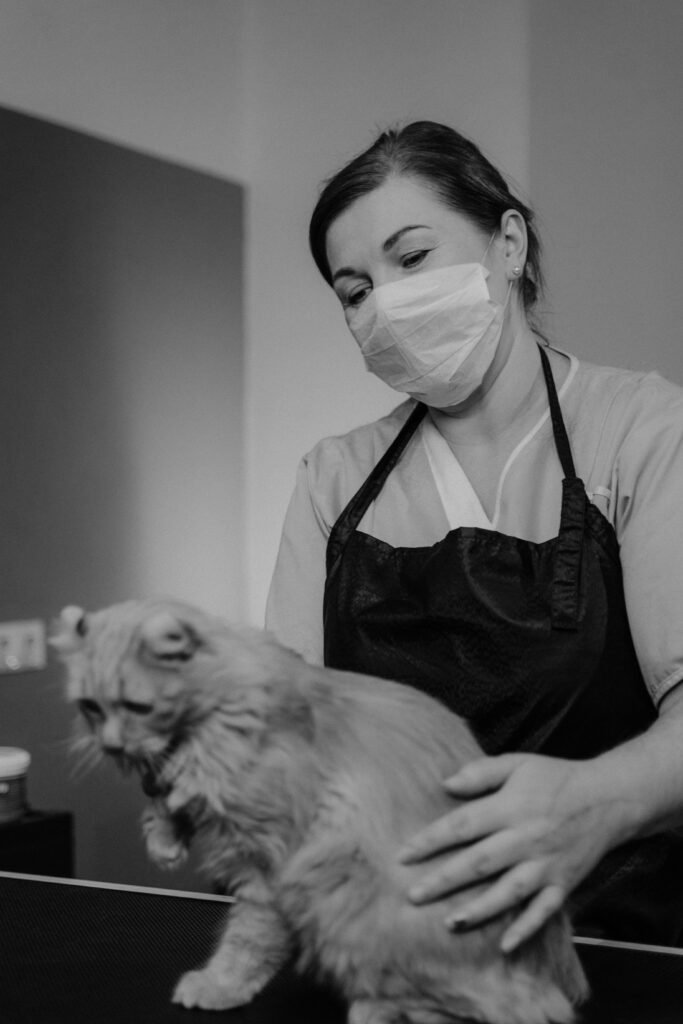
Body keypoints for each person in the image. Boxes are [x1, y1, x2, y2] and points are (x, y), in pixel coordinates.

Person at [265, 120, 683, 952]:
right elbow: (286, 728)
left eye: (412, 258)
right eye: (354, 291)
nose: (385, 304)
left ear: (509, 244)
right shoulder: (333, 479)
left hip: (618, 944)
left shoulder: (640, 432)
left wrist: (592, 804)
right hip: (394, 946)